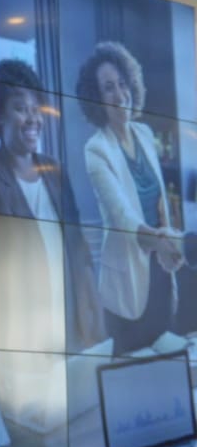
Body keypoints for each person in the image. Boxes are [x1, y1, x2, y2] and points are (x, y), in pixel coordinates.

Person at [75, 41, 183, 355]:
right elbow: (122, 216)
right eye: (108, 88)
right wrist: (166, 242)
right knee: (132, 371)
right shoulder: (96, 149)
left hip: (160, 271)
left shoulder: (145, 134)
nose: (120, 94)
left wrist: (167, 237)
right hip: (126, 285)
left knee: (168, 363)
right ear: (96, 98)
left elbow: (158, 200)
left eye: (122, 84)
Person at [0, 58, 104, 353]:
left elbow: (79, 252)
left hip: (71, 330)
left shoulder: (54, 172)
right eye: (20, 108)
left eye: (36, 109)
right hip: (23, 339)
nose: (33, 119)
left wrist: (94, 321)